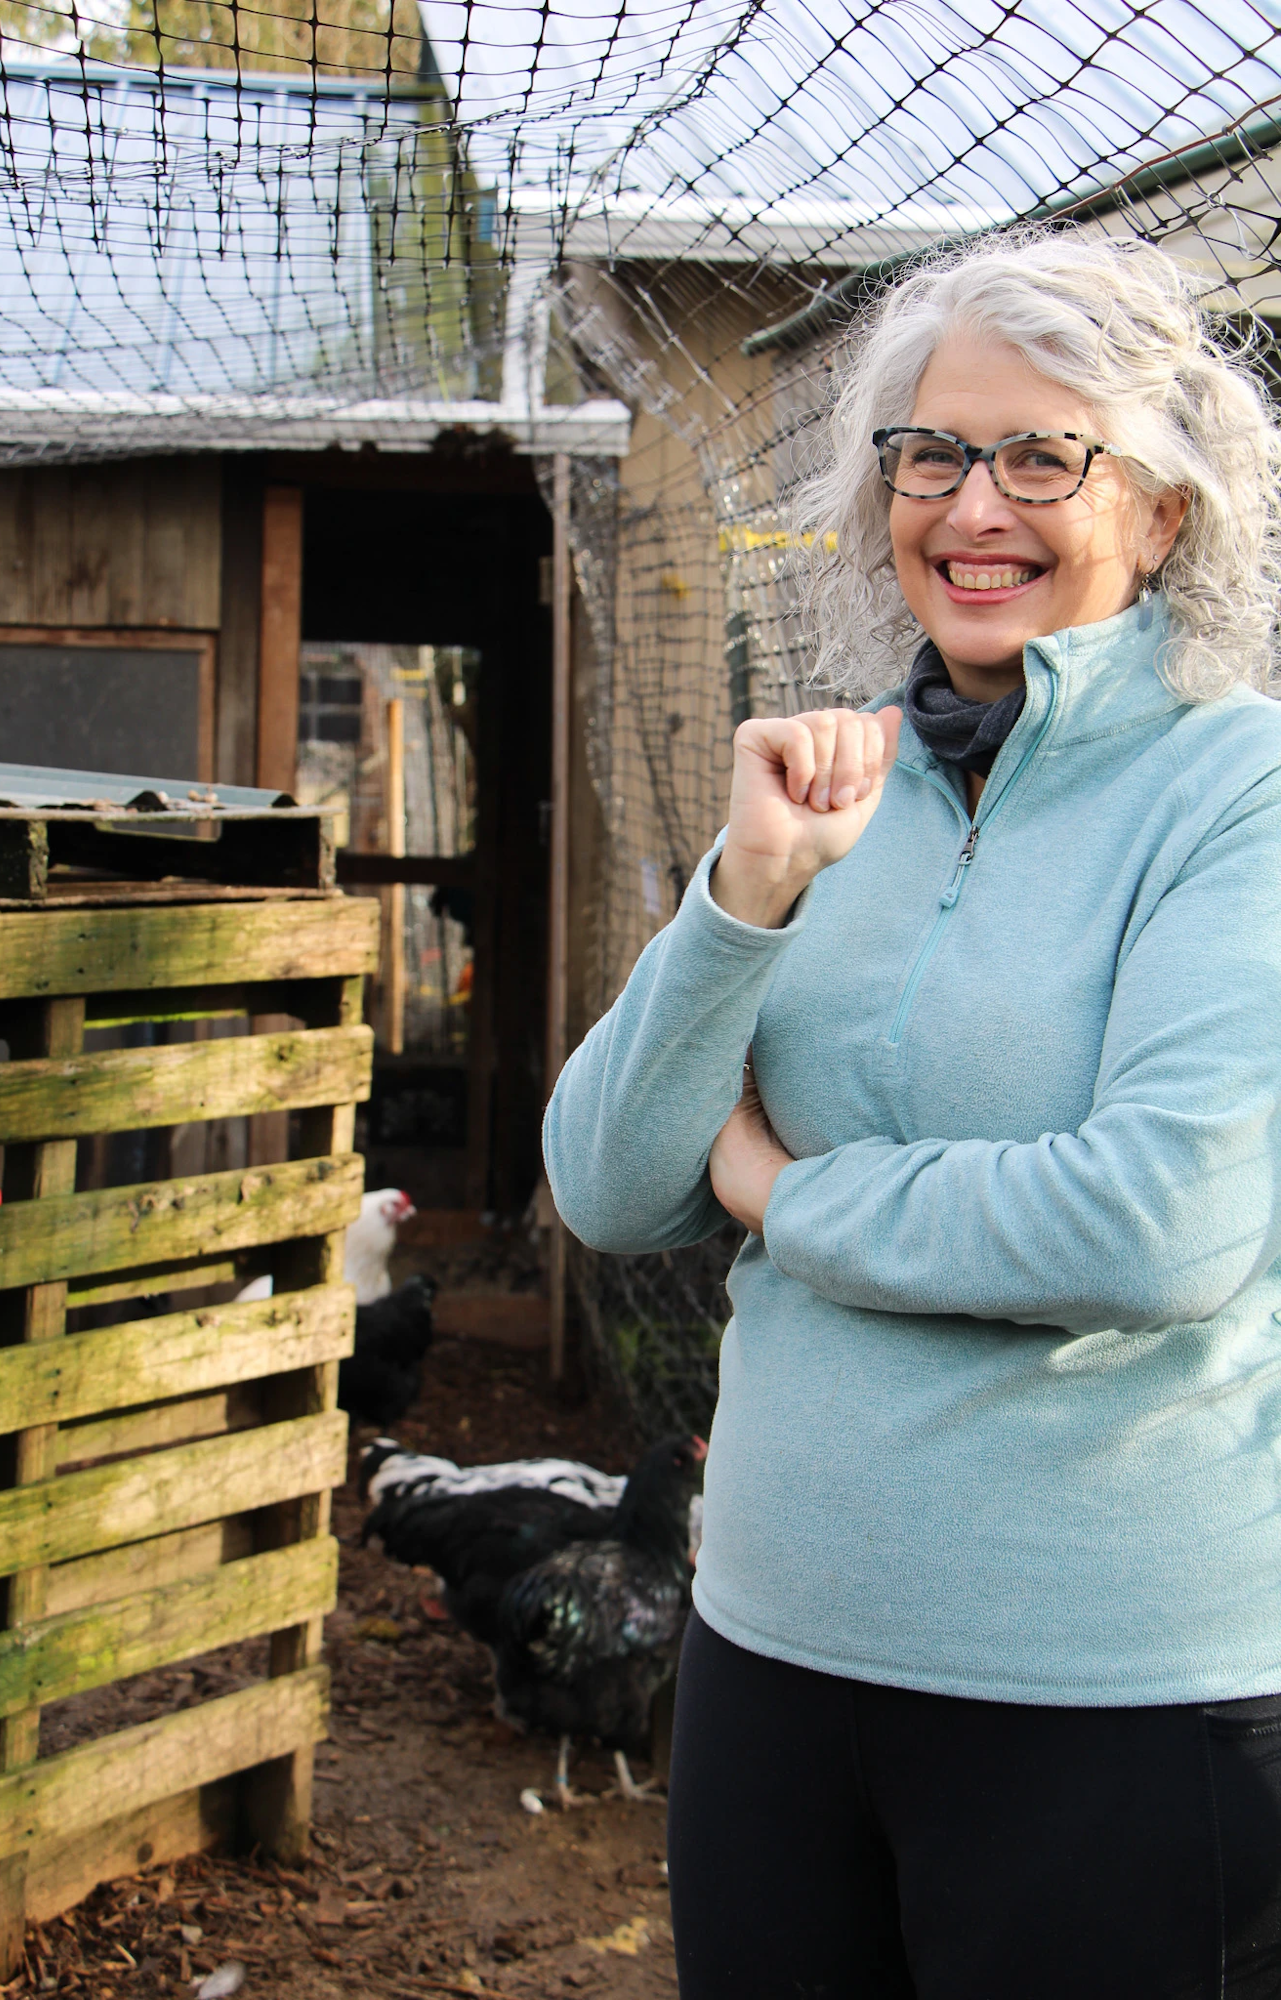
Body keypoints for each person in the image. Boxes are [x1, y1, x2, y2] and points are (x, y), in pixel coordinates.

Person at [542, 229, 1281, 1998]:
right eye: (934, 454)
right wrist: (746, 896)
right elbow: (604, 1179)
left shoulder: (1235, 794)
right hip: (771, 1654)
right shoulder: (827, 779)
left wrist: (791, 1203)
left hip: (1115, 1683)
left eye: (1045, 457)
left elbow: (1157, 1224)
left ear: (1164, 514)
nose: (976, 507)